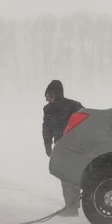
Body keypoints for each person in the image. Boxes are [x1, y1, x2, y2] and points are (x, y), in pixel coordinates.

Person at [42, 79, 83, 216]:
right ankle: (71, 206)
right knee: (68, 176)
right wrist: (48, 144)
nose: (47, 100)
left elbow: (85, 122)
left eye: (48, 97)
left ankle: (71, 208)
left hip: (70, 146)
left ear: (55, 95)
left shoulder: (72, 106)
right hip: (67, 145)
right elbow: (46, 128)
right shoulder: (50, 109)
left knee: (69, 177)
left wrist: (48, 144)